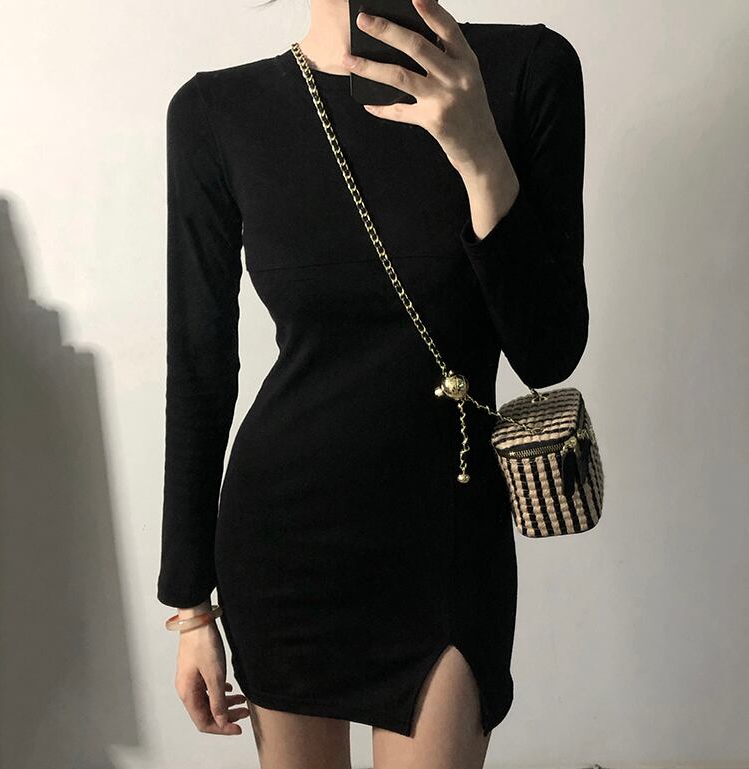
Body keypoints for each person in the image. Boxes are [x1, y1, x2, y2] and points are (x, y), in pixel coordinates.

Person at [157, 0, 589, 766]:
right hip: (284, 545)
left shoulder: (526, 72)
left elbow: (549, 352)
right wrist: (192, 606)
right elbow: (199, 366)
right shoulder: (218, 112)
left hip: (447, 540)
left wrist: (480, 152)